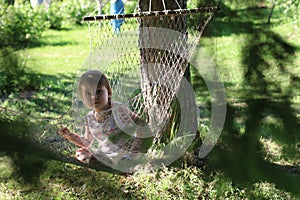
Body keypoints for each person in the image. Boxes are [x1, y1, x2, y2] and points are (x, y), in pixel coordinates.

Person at [58, 70, 144, 165]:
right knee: (80, 152)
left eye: (98, 91)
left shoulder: (118, 109)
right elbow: (86, 142)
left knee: (119, 157)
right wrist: (70, 136)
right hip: (106, 152)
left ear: (109, 93)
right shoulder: (90, 118)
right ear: (83, 99)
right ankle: (101, 160)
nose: (94, 97)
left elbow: (141, 123)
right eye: (88, 94)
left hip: (125, 150)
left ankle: (113, 161)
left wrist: (138, 145)